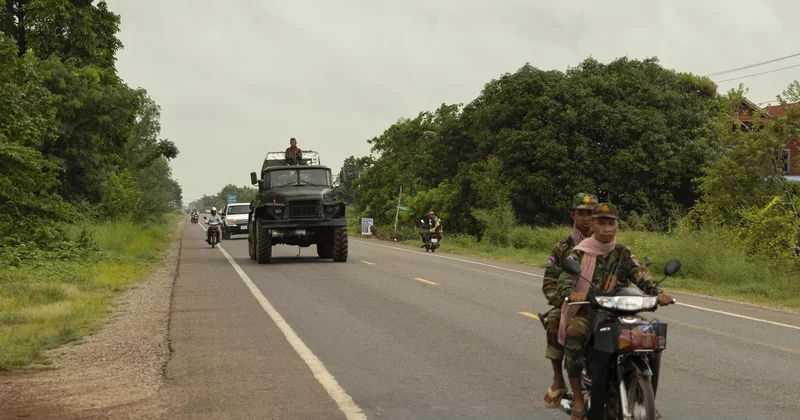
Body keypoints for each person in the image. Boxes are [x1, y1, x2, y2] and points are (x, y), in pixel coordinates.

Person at [556, 203, 673, 420]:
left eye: (611, 223)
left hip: (618, 312)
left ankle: (647, 398)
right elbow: (566, 279)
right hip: (589, 311)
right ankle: (579, 399)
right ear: (592, 225)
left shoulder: (623, 254)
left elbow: (641, 274)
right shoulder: (579, 253)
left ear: (617, 226)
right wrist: (572, 293)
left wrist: (658, 292)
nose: (607, 228)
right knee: (574, 333)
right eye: (602, 223)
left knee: (651, 335)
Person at [540, 193, 597, 409]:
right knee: (555, 320)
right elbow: (549, 283)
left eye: (591, 213)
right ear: (573, 215)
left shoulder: (609, 246)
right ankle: (558, 379)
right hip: (571, 306)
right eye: (582, 213)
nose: (587, 218)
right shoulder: (562, 248)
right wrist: (565, 301)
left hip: (603, 305)